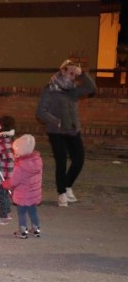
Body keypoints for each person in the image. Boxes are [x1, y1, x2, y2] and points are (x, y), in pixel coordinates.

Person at [36, 59, 96, 207]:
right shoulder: (50, 89)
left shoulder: (73, 90)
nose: (72, 75)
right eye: (70, 72)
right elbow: (40, 112)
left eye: (74, 73)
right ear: (62, 71)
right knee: (61, 161)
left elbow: (92, 88)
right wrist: (57, 122)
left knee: (79, 160)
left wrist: (82, 74)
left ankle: (67, 185)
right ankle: (61, 193)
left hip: (73, 130)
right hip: (56, 131)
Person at [2, 134, 43, 239]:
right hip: (34, 193)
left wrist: (6, 184)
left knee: (22, 213)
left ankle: (23, 230)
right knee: (33, 211)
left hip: (23, 194)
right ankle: (36, 229)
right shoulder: (37, 161)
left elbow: (14, 181)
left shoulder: (20, 166)